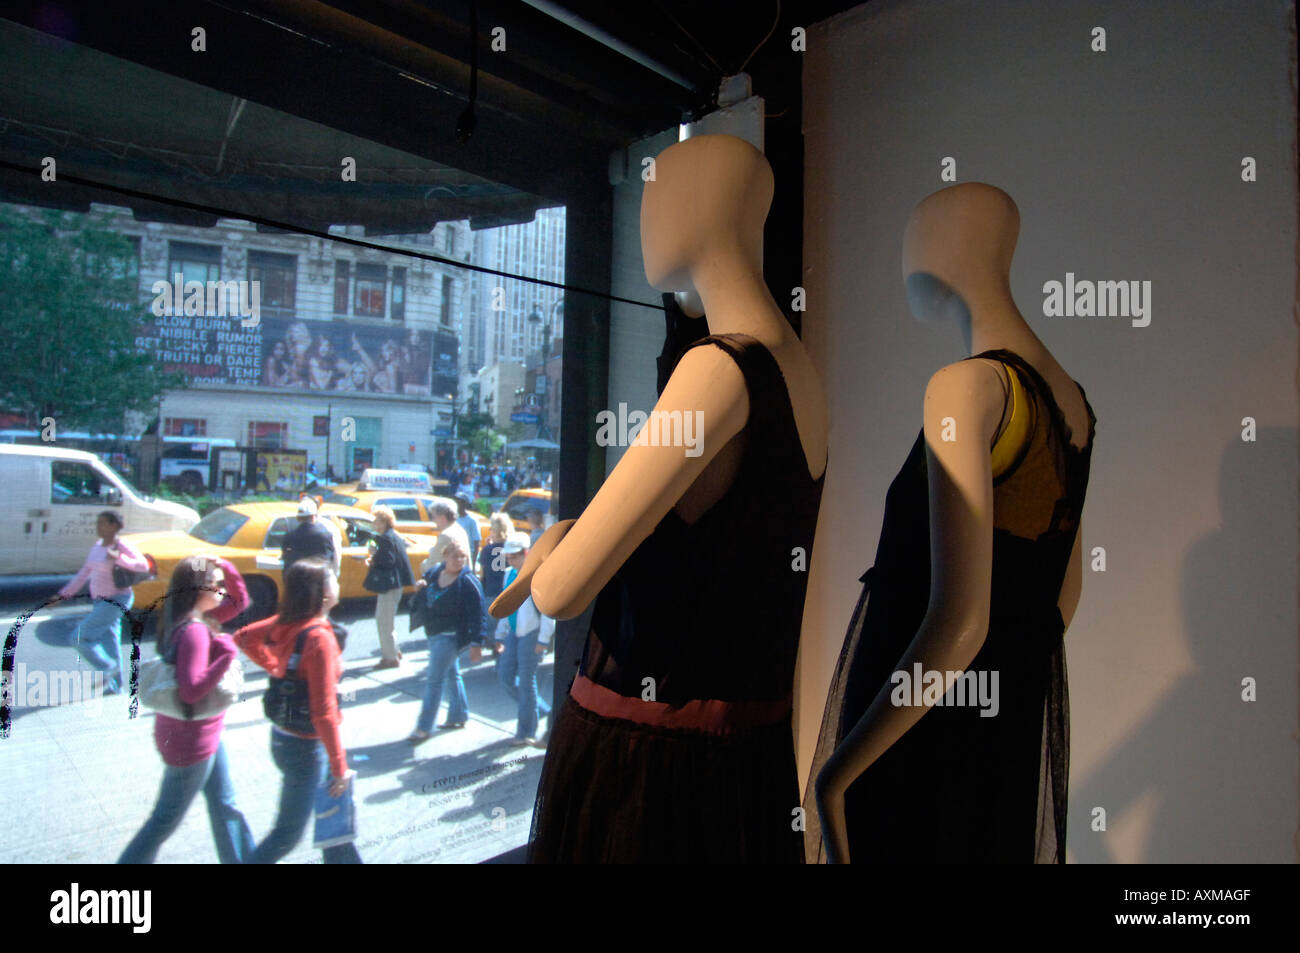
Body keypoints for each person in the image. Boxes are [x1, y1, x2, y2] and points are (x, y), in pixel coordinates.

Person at [119, 556, 256, 863]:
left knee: (225, 804)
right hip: (192, 741)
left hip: (200, 731)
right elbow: (191, 690)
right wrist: (226, 654)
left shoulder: (180, 616)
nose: (222, 590)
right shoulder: (195, 630)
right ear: (198, 588)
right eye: (216, 584)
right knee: (163, 822)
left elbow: (241, 599)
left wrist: (223, 564)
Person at [234, 558, 361, 863]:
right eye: (333, 578)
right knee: (288, 833)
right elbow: (323, 712)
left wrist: (277, 668)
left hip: (283, 738)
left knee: (335, 829)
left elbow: (244, 637)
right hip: (306, 748)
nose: (338, 582)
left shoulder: (291, 623)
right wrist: (339, 766)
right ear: (322, 592)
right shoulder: (318, 637)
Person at [53, 511, 150, 695]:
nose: (99, 527)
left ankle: (108, 667)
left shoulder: (122, 545)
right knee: (110, 641)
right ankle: (116, 688)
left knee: (78, 637)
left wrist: (119, 558)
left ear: (115, 526)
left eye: (104, 523)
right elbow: (84, 573)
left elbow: (143, 566)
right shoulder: (97, 546)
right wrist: (63, 595)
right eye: (98, 523)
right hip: (100, 601)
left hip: (117, 599)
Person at [406, 534, 485, 743]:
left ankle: (423, 727)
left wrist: (477, 643)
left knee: (433, 680)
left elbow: (479, 614)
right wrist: (421, 585)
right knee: (452, 674)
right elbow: (425, 582)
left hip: (450, 637)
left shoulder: (468, 581)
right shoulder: (436, 572)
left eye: (463, 557)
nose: (459, 560)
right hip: (433, 634)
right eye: (455, 556)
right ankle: (458, 715)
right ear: (445, 556)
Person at [493, 532, 553, 746]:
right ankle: (539, 709)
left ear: (526, 553)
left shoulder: (538, 575)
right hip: (513, 633)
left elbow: (547, 610)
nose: (510, 560)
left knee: (527, 682)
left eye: (514, 555)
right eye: (508, 556)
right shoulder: (508, 573)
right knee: (505, 676)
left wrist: (544, 639)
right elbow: (506, 603)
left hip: (533, 634)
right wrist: (500, 633)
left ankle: (526, 730)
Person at [365, 505, 414, 670]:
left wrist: (373, 556)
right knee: (388, 620)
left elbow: (388, 561)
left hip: (389, 585)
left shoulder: (384, 539)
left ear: (384, 521)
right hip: (397, 584)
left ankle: (390, 658)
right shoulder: (394, 536)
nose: (374, 524)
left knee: (383, 621)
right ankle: (394, 651)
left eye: (376, 521)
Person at [477, 513, 513, 654]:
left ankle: (496, 652)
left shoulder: (487, 550)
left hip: (491, 591)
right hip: (507, 591)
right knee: (507, 626)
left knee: (492, 626)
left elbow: (482, 574)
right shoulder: (511, 547)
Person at [281, 496, 342, 576]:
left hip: (298, 578)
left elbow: (285, 554)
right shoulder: (328, 531)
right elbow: (335, 554)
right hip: (320, 577)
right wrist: (334, 574)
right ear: (314, 515)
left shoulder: (291, 535)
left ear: (298, 518)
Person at [419, 502, 465, 573]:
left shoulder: (446, 536)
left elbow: (431, 566)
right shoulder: (460, 529)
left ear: (442, 518)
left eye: (434, 517)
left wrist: (422, 564)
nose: (433, 520)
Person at [453, 492, 480, 563]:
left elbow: (476, 542)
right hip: (456, 554)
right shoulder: (454, 518)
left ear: (464, 504)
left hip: (468, 555)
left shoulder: (472, 520)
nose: (457, 504)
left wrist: (473, 562)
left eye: (460, 502)